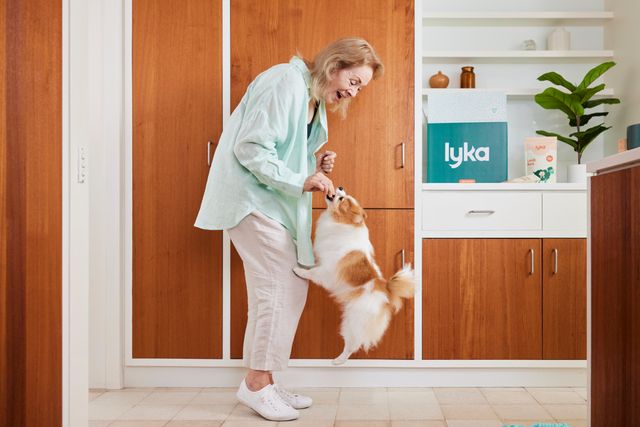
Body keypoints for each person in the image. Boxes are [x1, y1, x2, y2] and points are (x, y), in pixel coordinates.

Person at [194, 37, 383, 421]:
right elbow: (251, 148)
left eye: (360, 88)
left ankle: (266, 381)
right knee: (279, 288)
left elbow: (283, 152)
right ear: (335, 65)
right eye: (355, 81)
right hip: (251, 201)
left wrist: (315, 167)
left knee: (282, 289)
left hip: (271, 204)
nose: (354, 92)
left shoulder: (312, 99)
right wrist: (302, 179)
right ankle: (256, 385)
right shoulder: (285, 81)